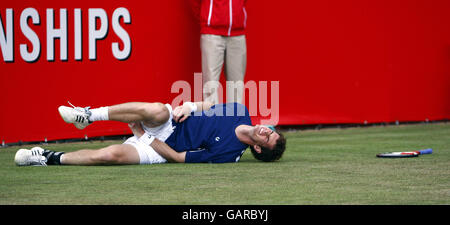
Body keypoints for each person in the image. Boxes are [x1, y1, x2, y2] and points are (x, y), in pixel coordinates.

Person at [14, 101, 286, 166]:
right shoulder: (240, 110)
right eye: (270, 130)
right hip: (170, 122)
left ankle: (45, 157)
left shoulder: (229, 154)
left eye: (267, 137)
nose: (265, 130)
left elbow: (180, 158)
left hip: (159, 146)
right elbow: (209, 106)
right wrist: (191, 105)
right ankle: (87, 115)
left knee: (112, 155)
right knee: (157, 109)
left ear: (258, 148)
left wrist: (144, 138)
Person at [190, 0, 248, 104]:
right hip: (212, 33)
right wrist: (208, 19)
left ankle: (235, 119)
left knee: (237, 85)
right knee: (210, 85)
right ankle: (214, 119)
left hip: (237, 34)